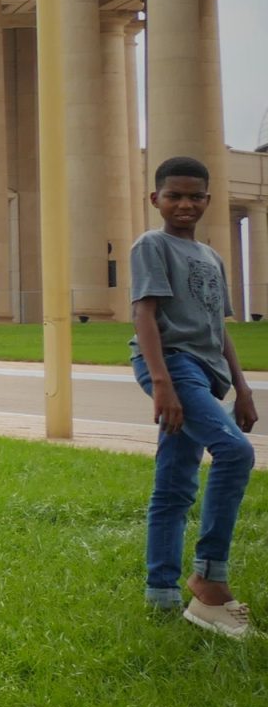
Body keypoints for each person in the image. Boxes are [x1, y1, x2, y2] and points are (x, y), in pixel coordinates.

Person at [128, 156, 258, 638]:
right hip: (173, 364)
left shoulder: (210, 256)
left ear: (207, 200)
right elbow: (145, 315)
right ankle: (210, 576)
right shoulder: (151, 245)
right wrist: (163, 383)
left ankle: (161, 593)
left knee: (175, 483)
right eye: (174, 195)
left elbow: (217, 327)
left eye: (194, 196)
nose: (184, 204)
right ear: (155, 199)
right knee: (234, 451)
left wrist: (241, 387)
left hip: (207, 372)